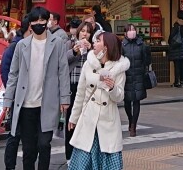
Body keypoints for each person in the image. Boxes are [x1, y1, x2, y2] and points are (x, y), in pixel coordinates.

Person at [2, 7, 70, 170]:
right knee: (28, 148)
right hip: (26, 104)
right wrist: (8, 100)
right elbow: (13, 74)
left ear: (47, 22)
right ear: (30, 24)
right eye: (35, 21)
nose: (39, 24)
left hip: (47, 103)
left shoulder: (57, 43)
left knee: (44, 144)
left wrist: (65, 98)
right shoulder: (22, 45)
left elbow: (63, 72)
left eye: (42, 20)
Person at [68, 30, 129, 170]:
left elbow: (119, 97)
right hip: (88, 119)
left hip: (108, 122)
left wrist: (112, 88)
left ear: (106, 46)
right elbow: (80, 93)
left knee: (108, 161)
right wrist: (74, 117)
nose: (94, 43)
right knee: (83, 162)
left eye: (98, 41)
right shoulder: (88, 64)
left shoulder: (119, 68)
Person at [65, 21, 96, 162]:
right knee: (71, 121)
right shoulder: (70, 44)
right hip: (72, 86)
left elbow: (98, 64)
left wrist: (90, 51)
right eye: (83, 31)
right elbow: (62, 61)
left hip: (87, 88)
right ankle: (69, 156)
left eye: (88, 32)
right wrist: (74, 52)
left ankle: (84, 157)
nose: (85, 34)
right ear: (78, 32)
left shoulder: (94, 47)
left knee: (86, 122)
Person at [121, 24, 152, 137]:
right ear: (125, 33)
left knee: (136, 101)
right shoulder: (122, 45)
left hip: (139, 76)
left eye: (133, 29)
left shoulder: (141, 44)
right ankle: (130, 119)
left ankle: (133, 125)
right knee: (127, 102)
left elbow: (147, 60)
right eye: (129, 30)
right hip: (126, 76)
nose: (132, 32)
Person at [1, 24, 25, 170]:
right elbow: (7, 72)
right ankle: (10, 166)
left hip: (21, 95)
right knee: (15, 133)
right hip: (18, 96)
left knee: (16, 133)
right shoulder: (17, 46)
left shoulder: (15, 45)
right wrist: (12, 93)